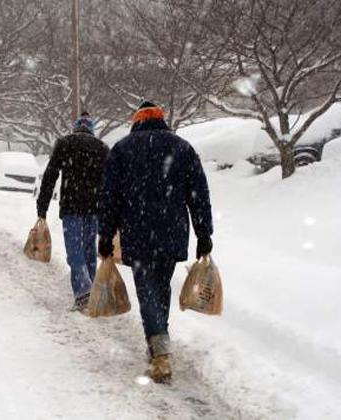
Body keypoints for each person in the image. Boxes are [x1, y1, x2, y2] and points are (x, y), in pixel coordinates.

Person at [98, 100, 213, 383]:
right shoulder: (182, 148)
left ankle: (160, 354)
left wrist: (106, 234)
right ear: (162, 121)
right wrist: (204, 233)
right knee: (159, 289)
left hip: (138, 232)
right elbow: (198, 194)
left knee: (148, 291)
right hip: (172, 232)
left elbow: (110, 197)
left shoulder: (123, 149)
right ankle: (157, 342)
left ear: (137, 121)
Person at [37, 112, 110, 311]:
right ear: (92, 128)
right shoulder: (102, 148)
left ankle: (83, 293)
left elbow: (50, 175)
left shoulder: (65, 143)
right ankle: (91, 293)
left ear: (76, 127)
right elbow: (110, 184)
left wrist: (42, 207)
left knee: (74, 251)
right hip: (93, 209)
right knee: (88, 252)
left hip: (71, 208)